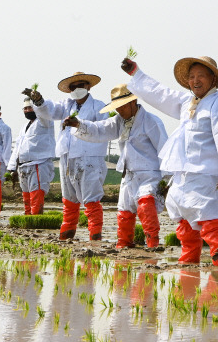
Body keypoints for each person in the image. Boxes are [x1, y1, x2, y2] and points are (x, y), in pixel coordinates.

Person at [121, 55, 218, 266]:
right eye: (192, 76)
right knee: (184, 220)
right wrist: (135, 73)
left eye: (201, 76)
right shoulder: (187, 102)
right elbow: (160, 93)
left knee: (208, 217)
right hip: (182, 175)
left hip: (206, 175)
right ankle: (188, 264)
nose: (195, 81)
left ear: (213, 78)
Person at [64, 84, 168, 249]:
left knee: (145, 205)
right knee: (124, 212)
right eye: (117, 107)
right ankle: (124, 244)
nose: (119, 111)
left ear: (132, 102)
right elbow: (99, 129)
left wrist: (166, 179)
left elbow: (165, 150)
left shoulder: (151, 122)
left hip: (149, 174)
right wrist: (79, 124)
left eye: (122, 107)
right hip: (128, 175)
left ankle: (153, 244)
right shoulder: (120, 121)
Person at [23, 72, 108, 240]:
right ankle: (67, 234)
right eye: (73, 87)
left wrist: (80, 124)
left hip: (89, 157)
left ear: (88, 86)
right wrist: (39, 101)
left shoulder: (99, 107)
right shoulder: (66, 106)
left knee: (91, 198)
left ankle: (95, 237)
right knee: (69, 199)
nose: (77, 89)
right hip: (67, 158)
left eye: (81, 85)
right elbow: (50, 110)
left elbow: (105, 129)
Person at [7, 97, 55, 215]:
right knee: (26, 195)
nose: (28, 110)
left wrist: (38, 101)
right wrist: (12, 167)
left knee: (36, 194)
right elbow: (17, 147)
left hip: (38, 163)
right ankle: (28, 219)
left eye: (30, 107)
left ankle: (36, 219)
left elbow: (44, 112)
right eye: (25, 108)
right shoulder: (24, 127)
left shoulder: (45, 121)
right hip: (23, 165)